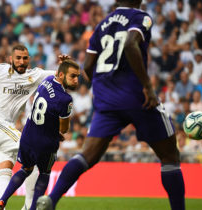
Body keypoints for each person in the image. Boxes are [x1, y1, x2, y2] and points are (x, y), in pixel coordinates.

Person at [37, 0, 186, 209]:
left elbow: (87, 66)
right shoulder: (139, 17)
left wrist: (105, 84)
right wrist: (147, 86)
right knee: (170, 155)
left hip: (106, 99)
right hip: (136, 95)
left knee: (87, 155)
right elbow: (129, 43)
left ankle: (51, 199)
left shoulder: (102, 25)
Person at [0, 44, 69, 209]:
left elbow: (60, 78)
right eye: (18, 58)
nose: (22, 62)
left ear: (29, 59)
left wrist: (63, 65)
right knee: (34, 153)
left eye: (25, 58)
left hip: (3, 131)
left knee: (5, 169)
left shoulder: (34, 75)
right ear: (11, 59)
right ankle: (30, 207)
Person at [0, 60, 80, 210]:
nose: (76, 80)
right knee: (44, 173)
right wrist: (57, 131)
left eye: (77, 76)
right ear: (61, 75)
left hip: (28, 137)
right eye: (73, 76)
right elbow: (64, 129)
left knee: (25, 169)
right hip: (45, 143)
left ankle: (2, 201)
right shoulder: (66, 99)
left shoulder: (46, 81)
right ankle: (33, 208)